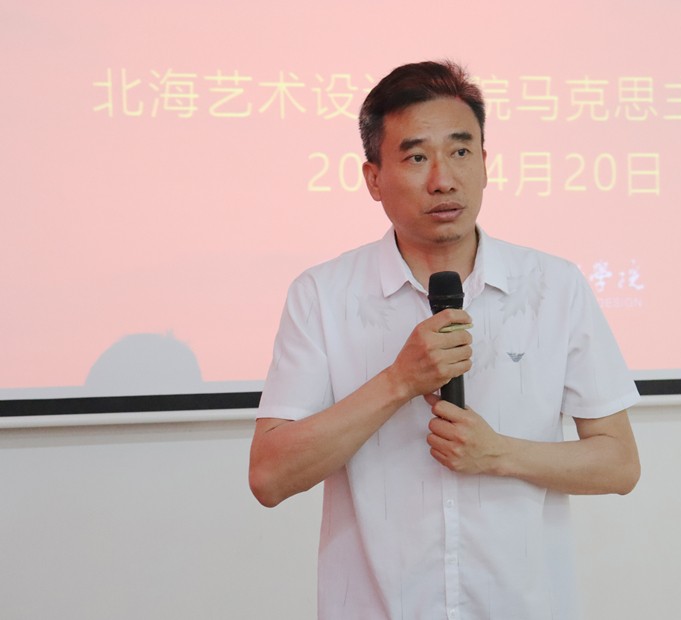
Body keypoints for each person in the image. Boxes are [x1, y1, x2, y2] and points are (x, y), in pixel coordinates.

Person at [249, 60, 641, 620]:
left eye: (460, 151)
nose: (443, 179)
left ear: (485, 163)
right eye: (416, 158)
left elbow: (619, 463)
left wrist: (498, 454)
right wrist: (399, 381)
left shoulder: (553, 286)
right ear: (373, 179)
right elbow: (269, 477)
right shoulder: (323, 295)